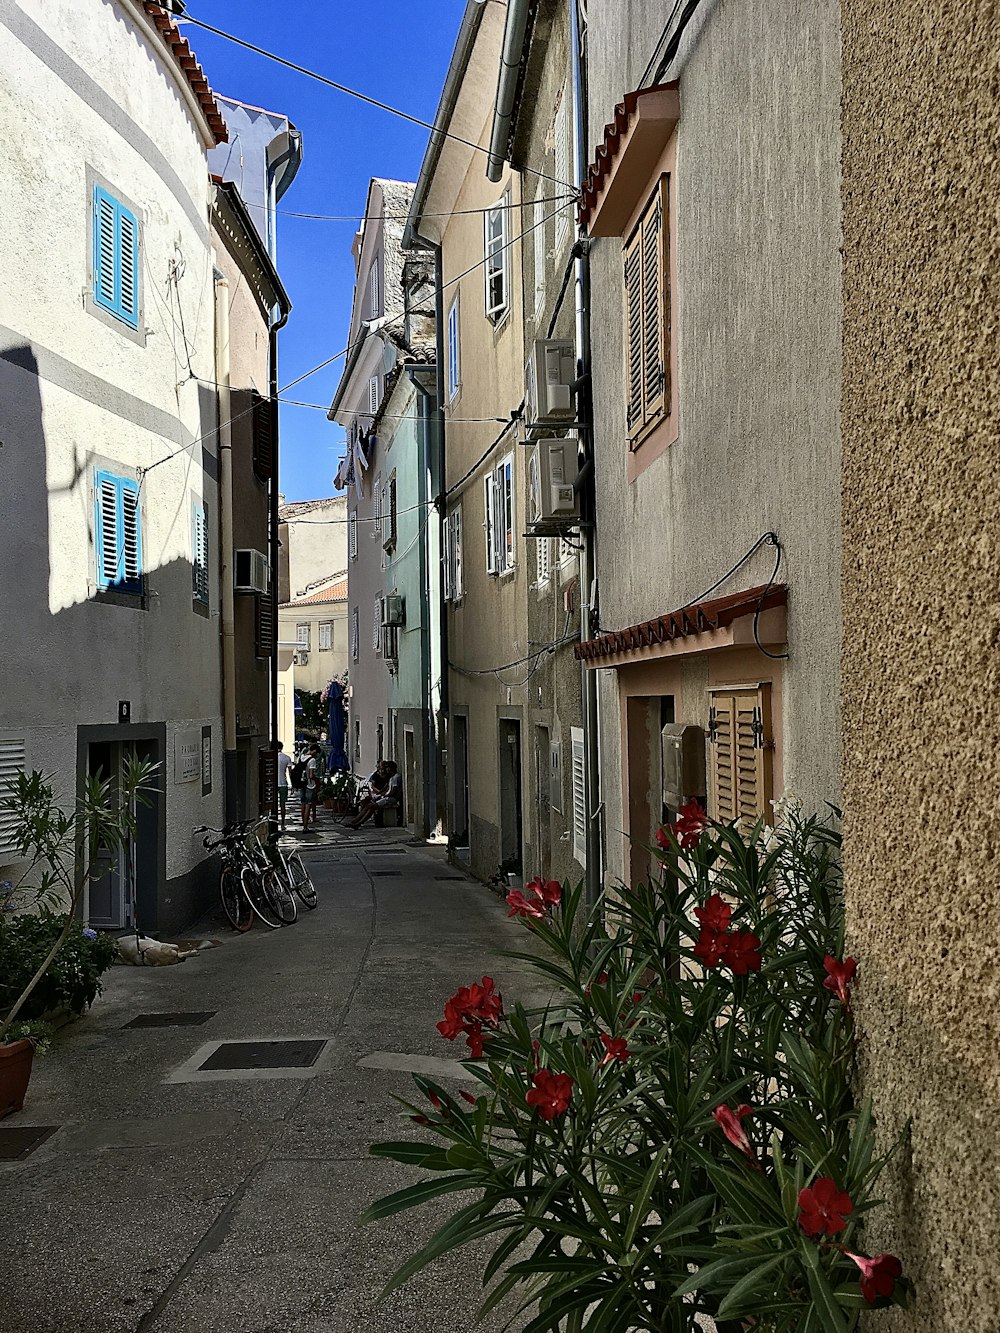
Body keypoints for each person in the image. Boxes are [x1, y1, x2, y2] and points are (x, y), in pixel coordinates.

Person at [347, 760, 401, 829]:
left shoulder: (396, 777)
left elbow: (393, 791)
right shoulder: (391, 778)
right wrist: (380, 794)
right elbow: (386, 789)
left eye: (387, 768)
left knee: (372, 806)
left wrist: (383, 796)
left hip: (391, 799)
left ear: (391, 768)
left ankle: (359, 823)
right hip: (386, 797)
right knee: (368, 804)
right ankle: (355, 821)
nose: (386, 769)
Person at [300, 742, 321, 833]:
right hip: (309, 785)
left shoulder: (302, 757)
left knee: (303, 804)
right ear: (314, 751)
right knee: (308, 804)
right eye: (316, 753)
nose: (316, 755)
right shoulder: (312, 760)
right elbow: (311, 775)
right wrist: (317, 780)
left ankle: (304, 822)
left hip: (302, 783)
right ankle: (305, 827)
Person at [276, 742, 292, 831]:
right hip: (283, 783)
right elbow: (290, 773)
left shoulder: (271, 756)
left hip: (273, 783)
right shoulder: (287, 758)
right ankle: (282, 823)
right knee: (283, 805)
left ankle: (272, 822)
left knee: (272, 805)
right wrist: (292, 784)